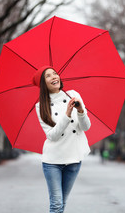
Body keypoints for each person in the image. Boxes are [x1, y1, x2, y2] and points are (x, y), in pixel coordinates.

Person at [32, 66, 91, 213]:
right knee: (56, 204)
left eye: (55, 73)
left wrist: (81, 111)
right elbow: (52, 135)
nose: (54, 77)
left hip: (73, 158)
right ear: (43, 84)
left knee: (62, 203)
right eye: (48, 76)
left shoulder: (73, 95)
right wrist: (67, 114)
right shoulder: (40, 106)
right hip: (53, 161)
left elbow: (86, 127)